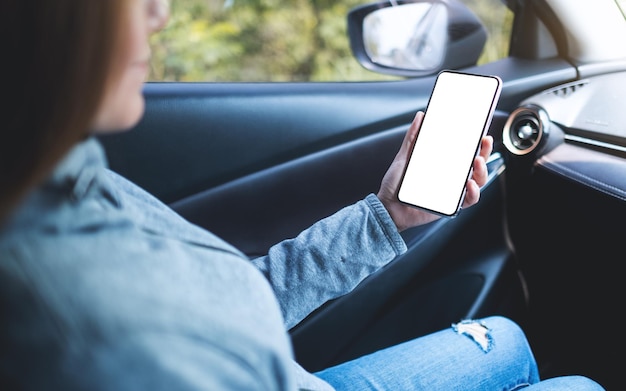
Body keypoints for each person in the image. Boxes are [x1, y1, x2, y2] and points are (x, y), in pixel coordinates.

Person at [0, 1, 605, 390]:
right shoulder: (83, 337)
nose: (157, 11)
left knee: (509, 338)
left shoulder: (68, 175)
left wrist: (388, 215)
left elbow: (232, 302)